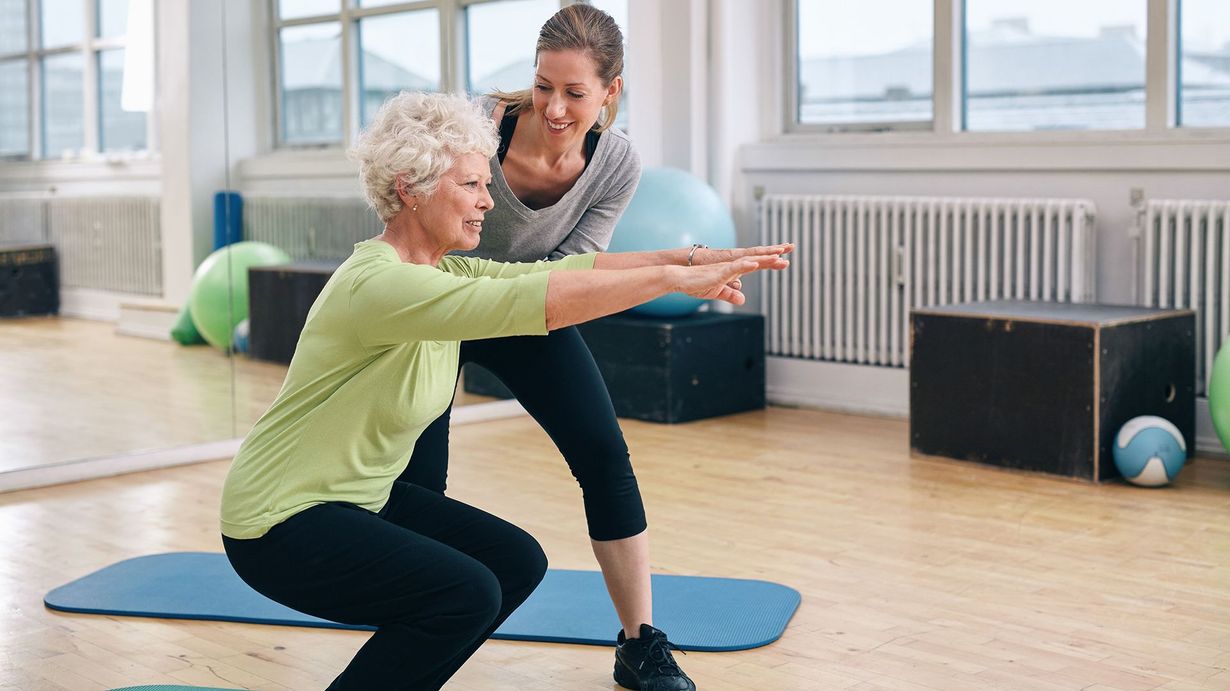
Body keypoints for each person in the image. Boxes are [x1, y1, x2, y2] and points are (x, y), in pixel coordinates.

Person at [219, 90, 792, 691]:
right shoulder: (379, 285)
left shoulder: (443, 268)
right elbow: (534, 302)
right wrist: (673, 281)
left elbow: (561, 273)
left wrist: (694, 257)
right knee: (464, 593)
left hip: (357, 497)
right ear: (410, 187)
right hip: (278, 520)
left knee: (514, 563)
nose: (489, 202)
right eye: (471, 185)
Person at [398, 7, 747, 688]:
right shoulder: (477, 130)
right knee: (418, 483)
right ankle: (416, 622)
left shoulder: (615, 163)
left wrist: (673, 267)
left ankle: (639, 643)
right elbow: (410, 224)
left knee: (605, 454)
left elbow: (574, 271)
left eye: (575, 92)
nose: (554, 107)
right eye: (543, 86)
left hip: (530, 309)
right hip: (441, 305)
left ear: (610, 93)